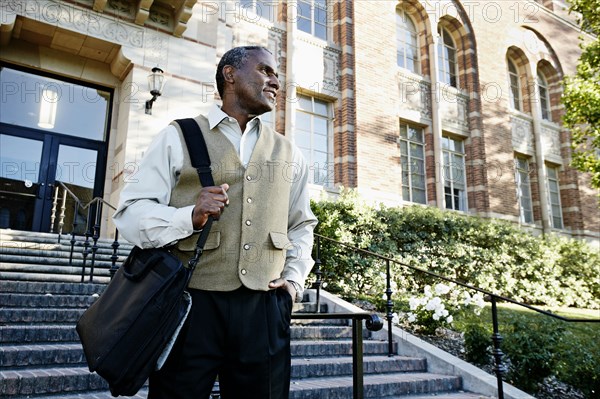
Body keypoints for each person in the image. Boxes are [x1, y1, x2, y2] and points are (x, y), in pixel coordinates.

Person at [113, 46, 317, 399]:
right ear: (230, 74)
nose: (275, 82)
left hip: (265, 308)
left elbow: (301, 224)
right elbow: (130, 212)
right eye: (265, 71)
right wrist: (188, 215)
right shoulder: (179, 135)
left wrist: (294, 282)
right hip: (192, 305)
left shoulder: (289, 153)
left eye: (277, 75)